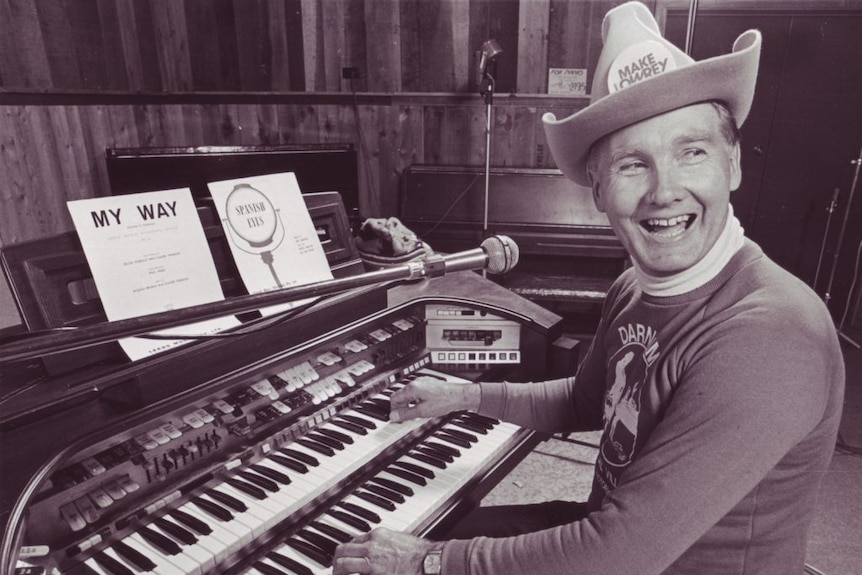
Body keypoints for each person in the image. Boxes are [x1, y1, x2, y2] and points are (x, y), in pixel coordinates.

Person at [331, 2, 846, 574]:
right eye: (632, 165)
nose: (663, 191)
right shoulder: (635, 288)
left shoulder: (770, 334)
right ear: (598, 191)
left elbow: (618, 554)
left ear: (733, 165)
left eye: (690, 152)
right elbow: (584, 400)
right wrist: (464, 396)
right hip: (611, 535)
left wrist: (427, 563)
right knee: (387, 533)